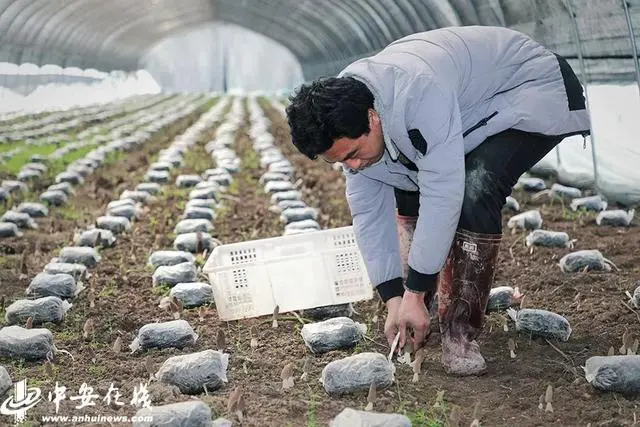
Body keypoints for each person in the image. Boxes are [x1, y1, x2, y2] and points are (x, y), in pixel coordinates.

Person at [285, 25, 590, 376]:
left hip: (529, 90)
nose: (352, 166)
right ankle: (418, 308)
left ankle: (461, 331)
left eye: (353, 153)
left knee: (475, 188)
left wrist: (413, 292)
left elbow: (443, 191)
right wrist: (393, 298)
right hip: (472, 110)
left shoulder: (416, 93)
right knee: (402, 177)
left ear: (372, 117)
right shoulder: (345, 113)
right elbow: (369, 215)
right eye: (340, 161)